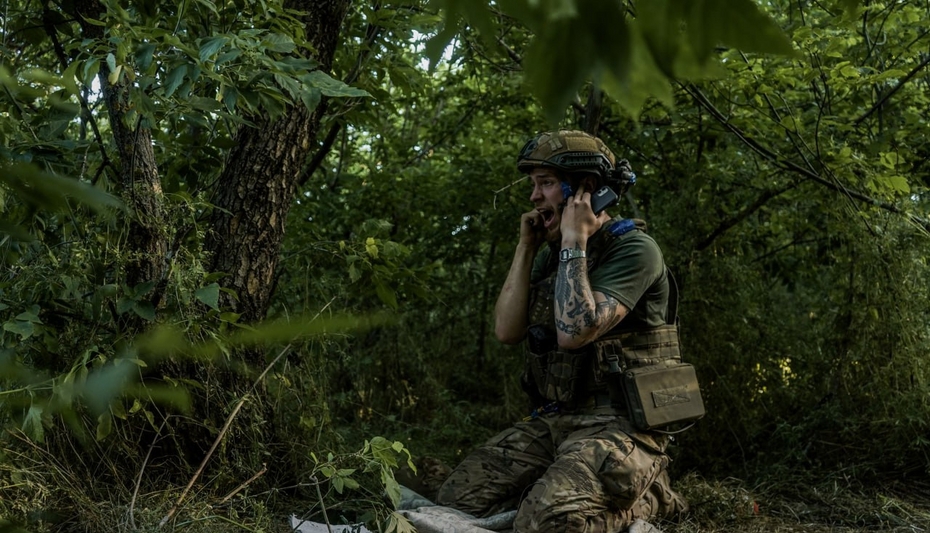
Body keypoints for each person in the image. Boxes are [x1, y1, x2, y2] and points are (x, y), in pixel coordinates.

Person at [436, 130, 691, 532]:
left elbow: (575, 332)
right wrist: (527, 248)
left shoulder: (635, 250)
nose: (534, 197)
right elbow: (506, 331)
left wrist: (576, 237)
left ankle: (655, 498)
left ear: (586, 189)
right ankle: (560, 490)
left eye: (546, 184)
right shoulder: (552, 255)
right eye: (533, 185)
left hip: (620, 427)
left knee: (544, 522)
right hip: (558, 420)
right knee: (456, 500)